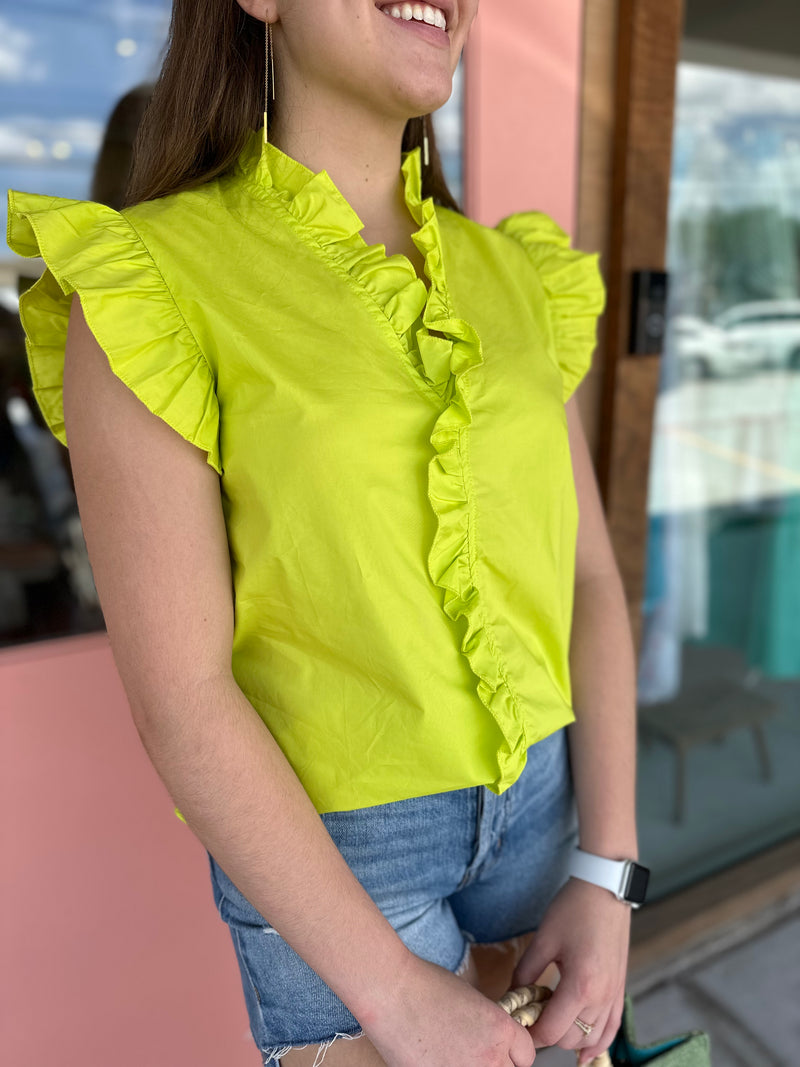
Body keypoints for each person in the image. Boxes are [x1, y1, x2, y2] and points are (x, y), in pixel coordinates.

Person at [6, 1, 642, 1065]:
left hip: (549, 802)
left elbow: (586, 575)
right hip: (343, 856)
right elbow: (183, 695)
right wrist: (389, 992)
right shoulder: (150, 279)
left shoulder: (517, 275)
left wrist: (608, 870)